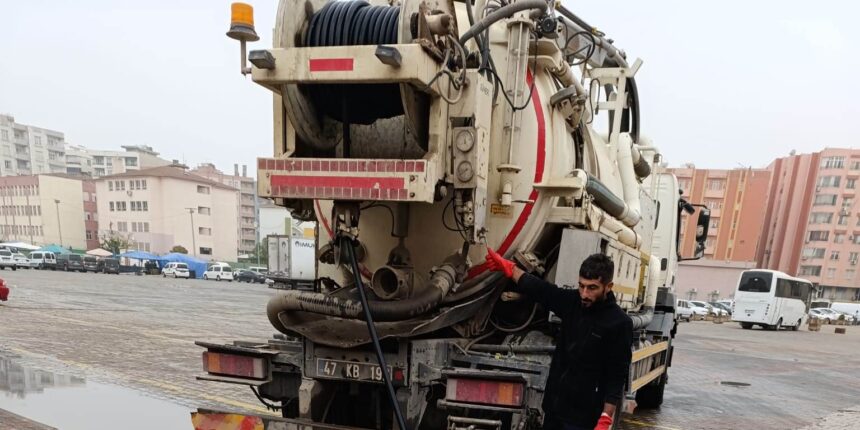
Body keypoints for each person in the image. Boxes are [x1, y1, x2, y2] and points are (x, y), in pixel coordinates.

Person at [485, 248, 632, 430]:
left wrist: (605, 417)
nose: (584, 294)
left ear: (608, 287)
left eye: (592, 288)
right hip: (555, 410)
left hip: (584, 418)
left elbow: (617, 375)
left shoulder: (619, 323)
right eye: (581, 286)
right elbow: (543, 291)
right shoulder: (573, 303)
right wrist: (509, 268)